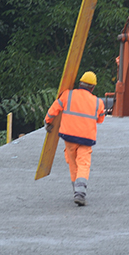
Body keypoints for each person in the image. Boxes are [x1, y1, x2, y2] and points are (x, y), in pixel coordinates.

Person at [45, 71, 105, 206]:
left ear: (79, 84)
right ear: (93, 88)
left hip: (69, 136)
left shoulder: (68, 95)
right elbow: (100, 120)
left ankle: (76, 191)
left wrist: (47, 121)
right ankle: (80, 193)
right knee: (83, 164)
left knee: (73, 164)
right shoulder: (98, 102)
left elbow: (53, 109)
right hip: (86, 139)